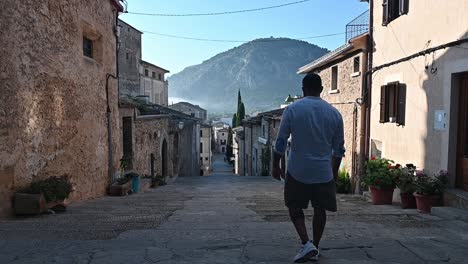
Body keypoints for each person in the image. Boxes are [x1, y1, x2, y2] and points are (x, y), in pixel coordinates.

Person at [272, 73, 345, 262]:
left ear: (303, 90)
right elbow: (338, 150)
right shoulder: (334, 114)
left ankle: (306, 243)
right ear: (321, 90)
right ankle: (316, 246)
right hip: (323, 171)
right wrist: (334, 173)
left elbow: (280, 141)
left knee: (294, 206)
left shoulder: (292, 110)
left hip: (298, 170)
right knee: (320, 209)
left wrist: (275, 164)